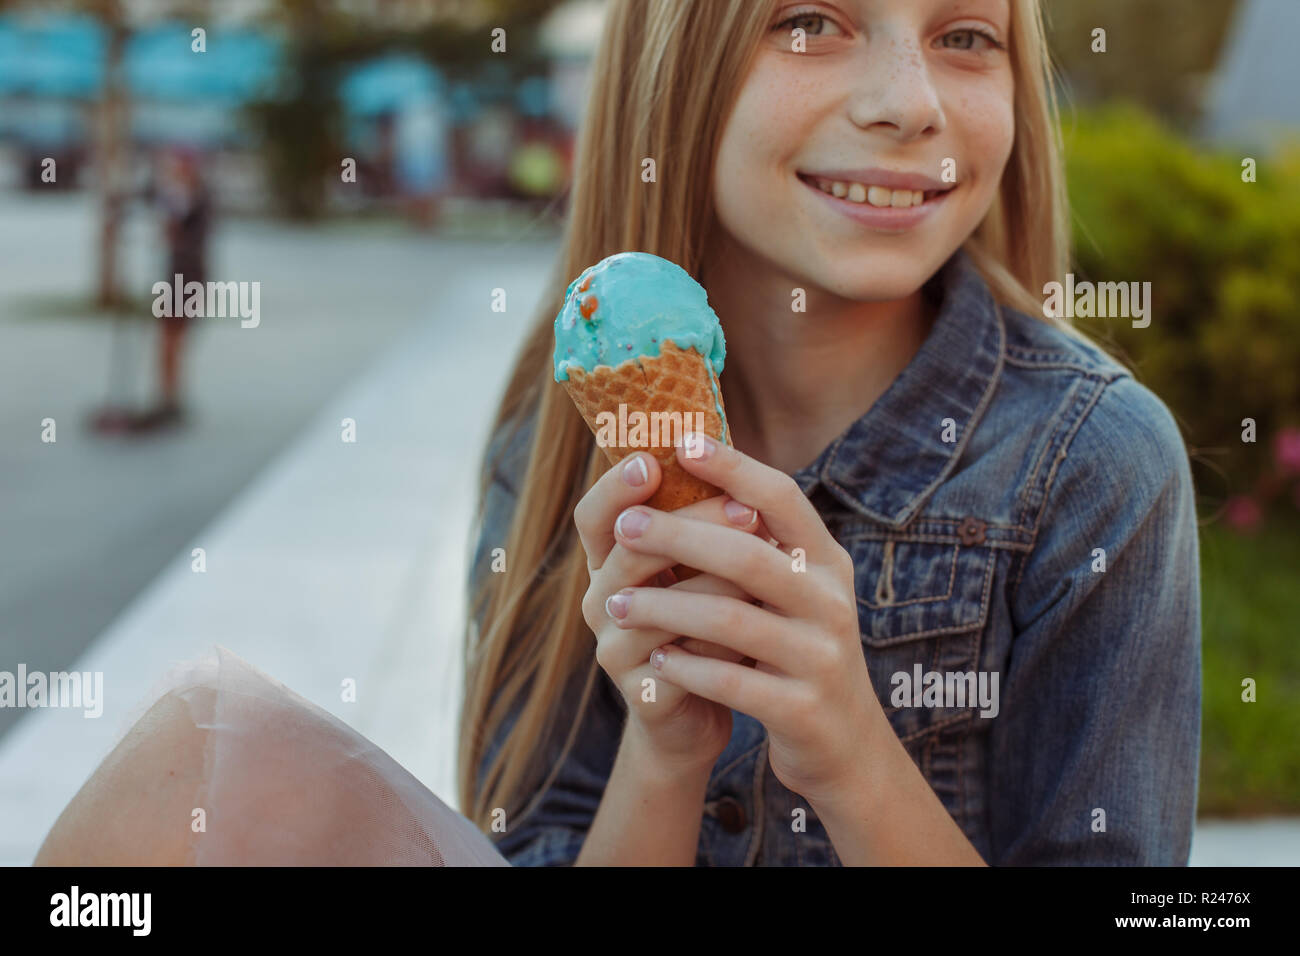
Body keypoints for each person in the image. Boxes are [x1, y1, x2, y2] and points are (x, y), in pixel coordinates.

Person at [34, 0, 1200, 866]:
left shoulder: (1092, 466)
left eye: (965, 35)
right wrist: (668, 747)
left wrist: (849, 755)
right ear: (672, 62)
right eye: (809, 21)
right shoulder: (557, 437)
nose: (909, 100)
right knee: (180, 775)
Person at [133, 146, 211, 431]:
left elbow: (177, 230)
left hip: (186, 276)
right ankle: (168, 395)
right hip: (180, 275)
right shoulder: (185, 196)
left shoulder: (191, 197)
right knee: (168, 339)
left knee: (171, 339)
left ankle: (170, 398)